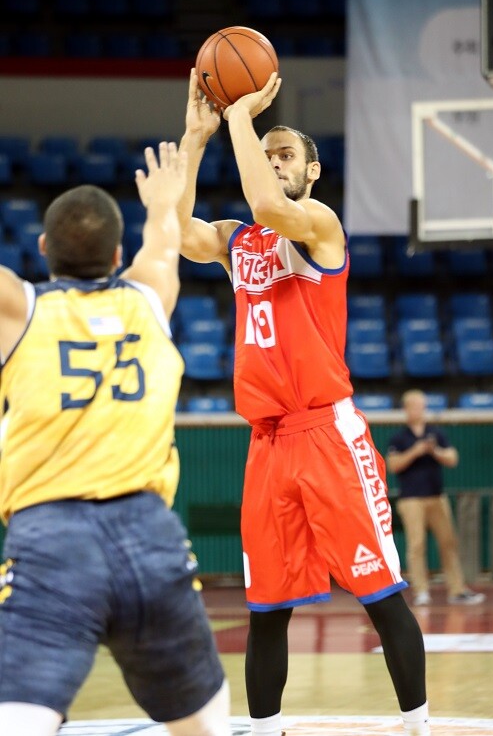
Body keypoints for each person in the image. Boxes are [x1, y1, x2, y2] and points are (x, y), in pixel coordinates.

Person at [176, 68, 431, 736]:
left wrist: (241, 118)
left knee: (380, 594)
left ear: (312, 171)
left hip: (328, 436)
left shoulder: (319, 223)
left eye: (285, 153)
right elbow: (178, 233)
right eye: (268, 154)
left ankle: (419, 726)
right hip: (267, 443)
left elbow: (268, 207)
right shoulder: (239, 241)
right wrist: (197, 138)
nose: (274, 161)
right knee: (267, 607)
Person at [0, 142, 231, 736]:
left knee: (16, 720)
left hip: (52, 537)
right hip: (149, 533)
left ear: (43, 247)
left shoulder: (18, 310)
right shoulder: (149, 298)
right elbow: (164, 241)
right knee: (204, 725)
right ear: (117, 254)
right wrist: (162, 201)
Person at [386, 389, 486, 607]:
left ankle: (457, 590)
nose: (419, 410)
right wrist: (415, 451)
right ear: (406, 409)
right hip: (411, 499)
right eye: (415, 406)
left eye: (422, 406)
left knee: (449, 542)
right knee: (417, 545)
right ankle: (421, 591)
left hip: (436, 496)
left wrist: (434, 451)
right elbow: (393, 465)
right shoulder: (399, 438)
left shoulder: (435, 434)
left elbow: (452, 458)